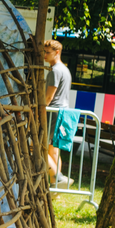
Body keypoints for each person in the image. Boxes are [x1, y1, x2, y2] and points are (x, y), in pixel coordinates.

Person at [43, 39, 72, 184]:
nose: (44, 55)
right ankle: (56, 181)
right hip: (62, 111)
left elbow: (49, 96)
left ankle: (56, 179)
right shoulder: (64, 69)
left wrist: (40, 111)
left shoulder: (54, 70)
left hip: (53, 111)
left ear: (57, 52)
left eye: (47, 52)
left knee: (41, 146)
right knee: (53, 149)